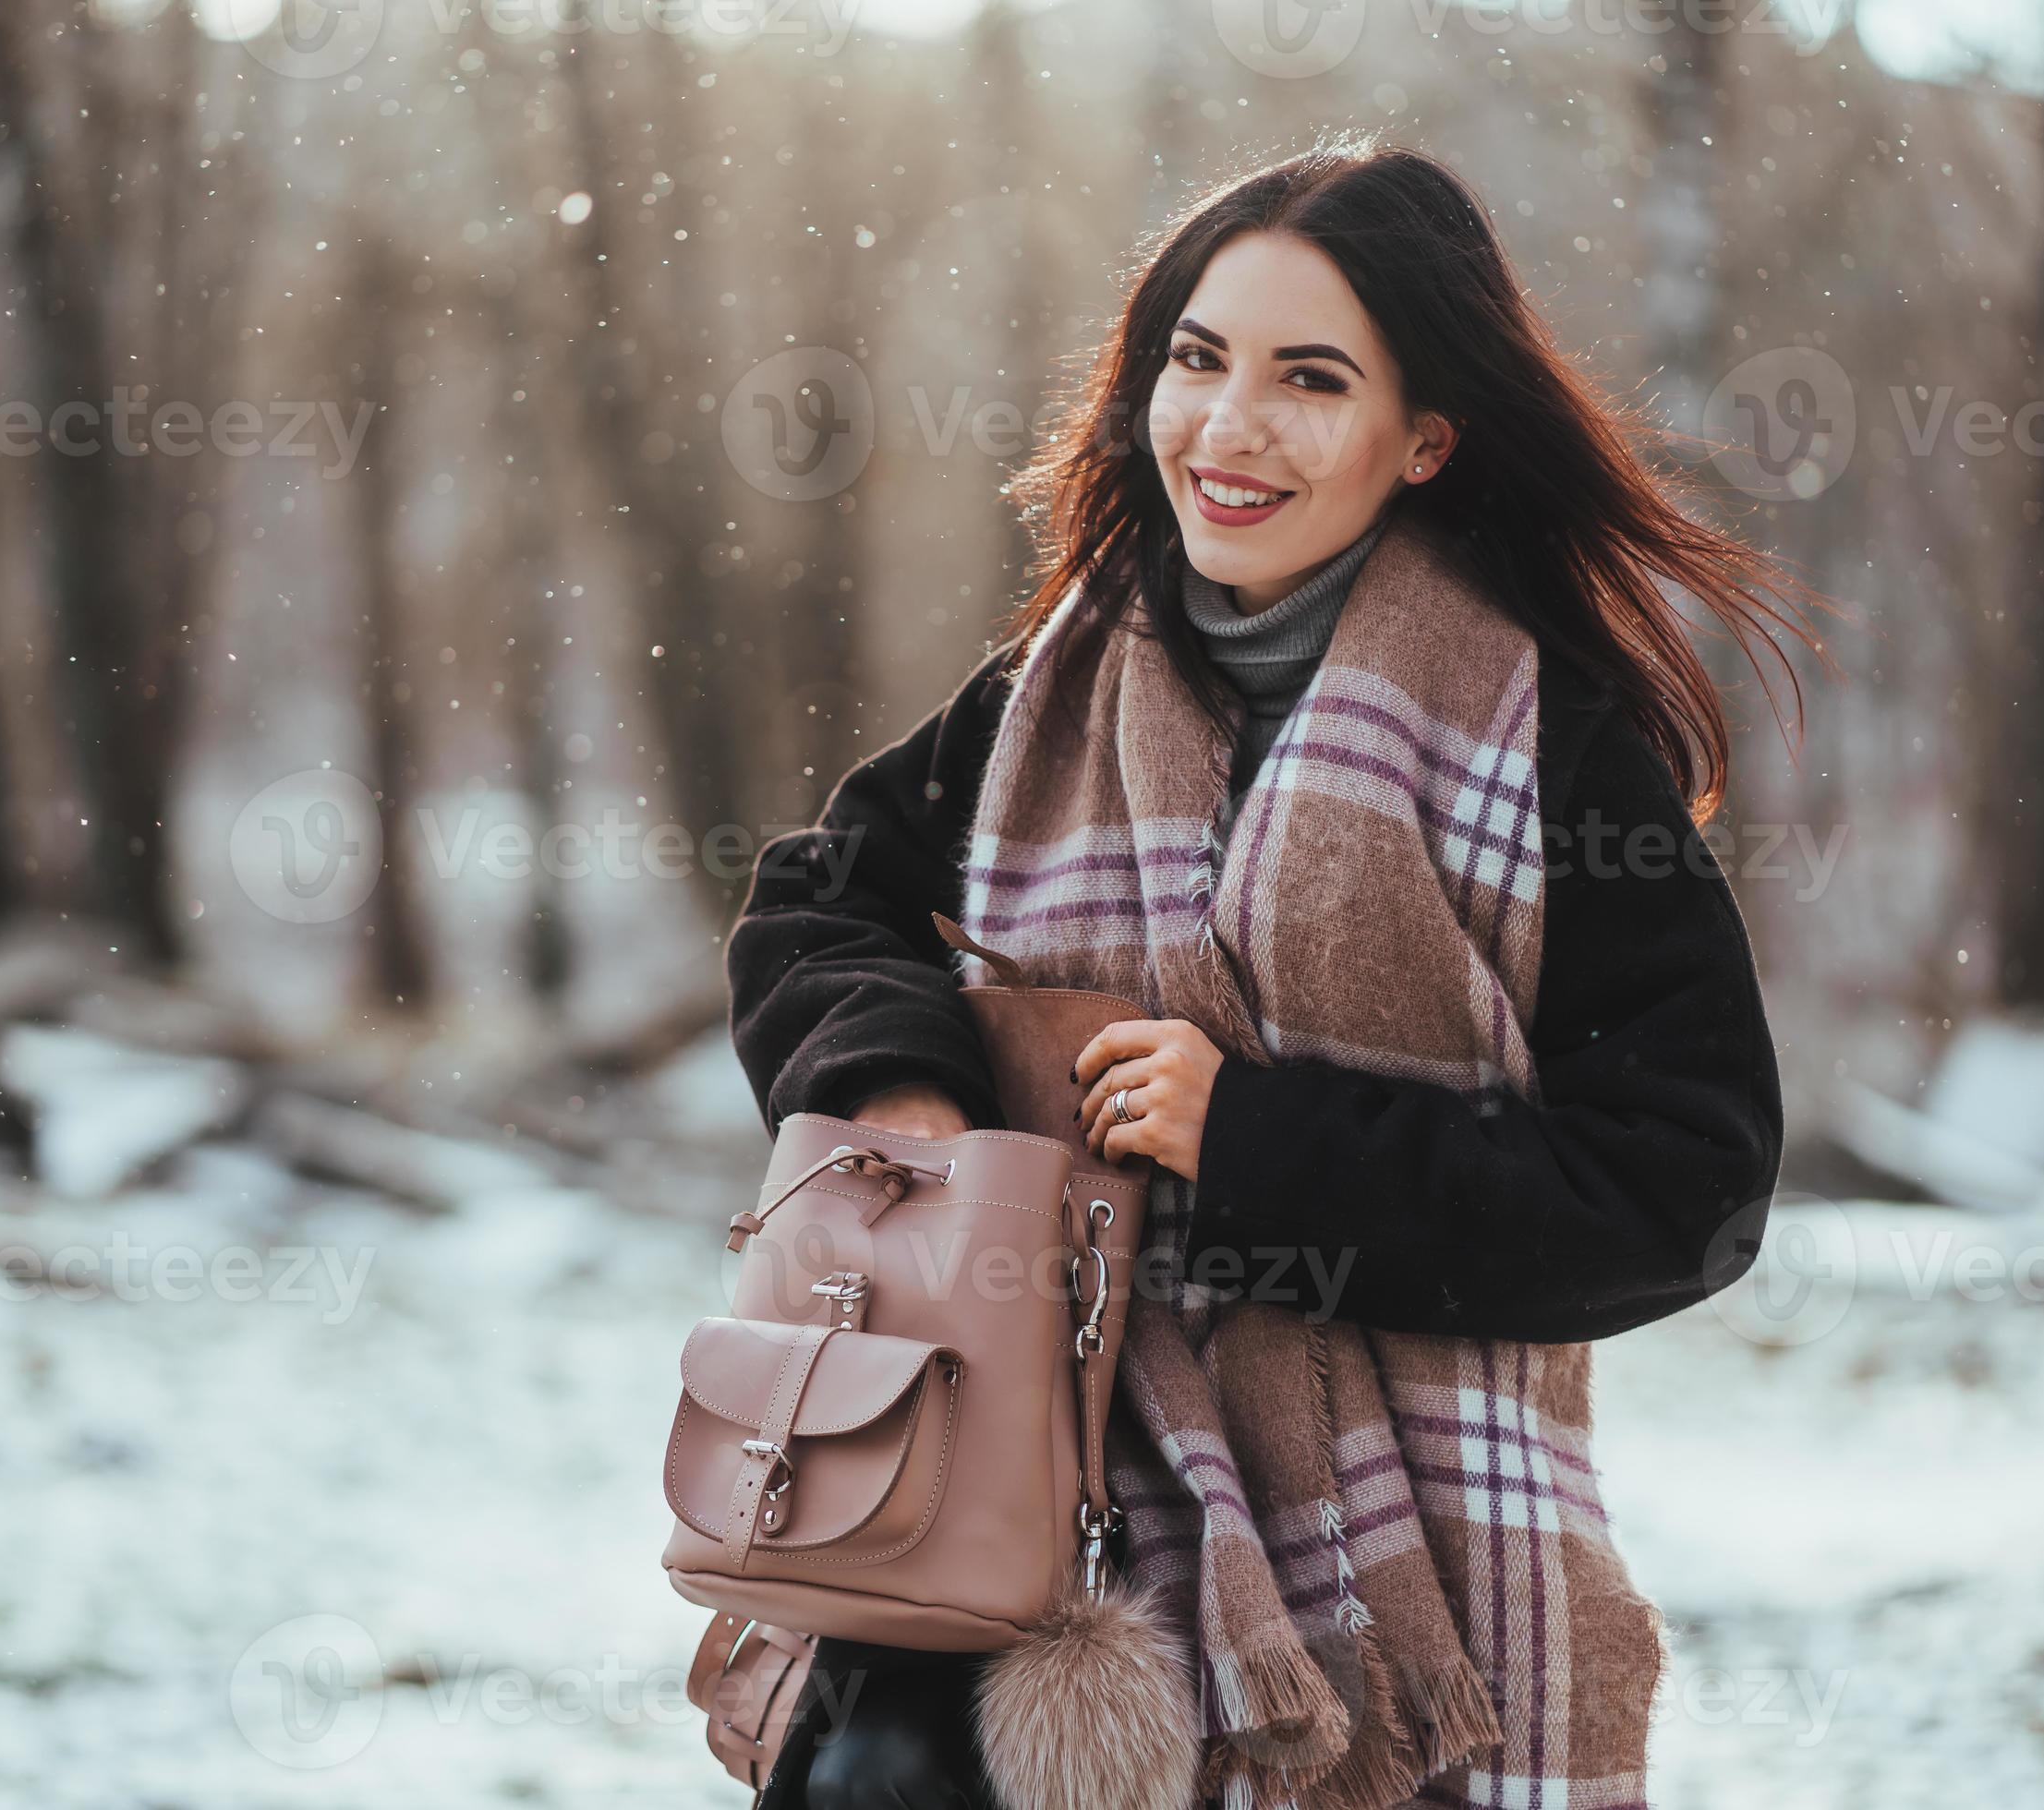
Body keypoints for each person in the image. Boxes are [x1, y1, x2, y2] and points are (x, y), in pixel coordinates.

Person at [721, 139, 1821, 1810]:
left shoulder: (1549, 746)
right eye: (1197, 359)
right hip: (1030, 1496)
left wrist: (1257, 1144)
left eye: (1311, 380)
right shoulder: (1054, 689)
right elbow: (816, 902)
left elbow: (1689, 1181)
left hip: (1422, 1598)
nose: (1228, 429)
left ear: (1427, 439)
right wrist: (903, 1082)